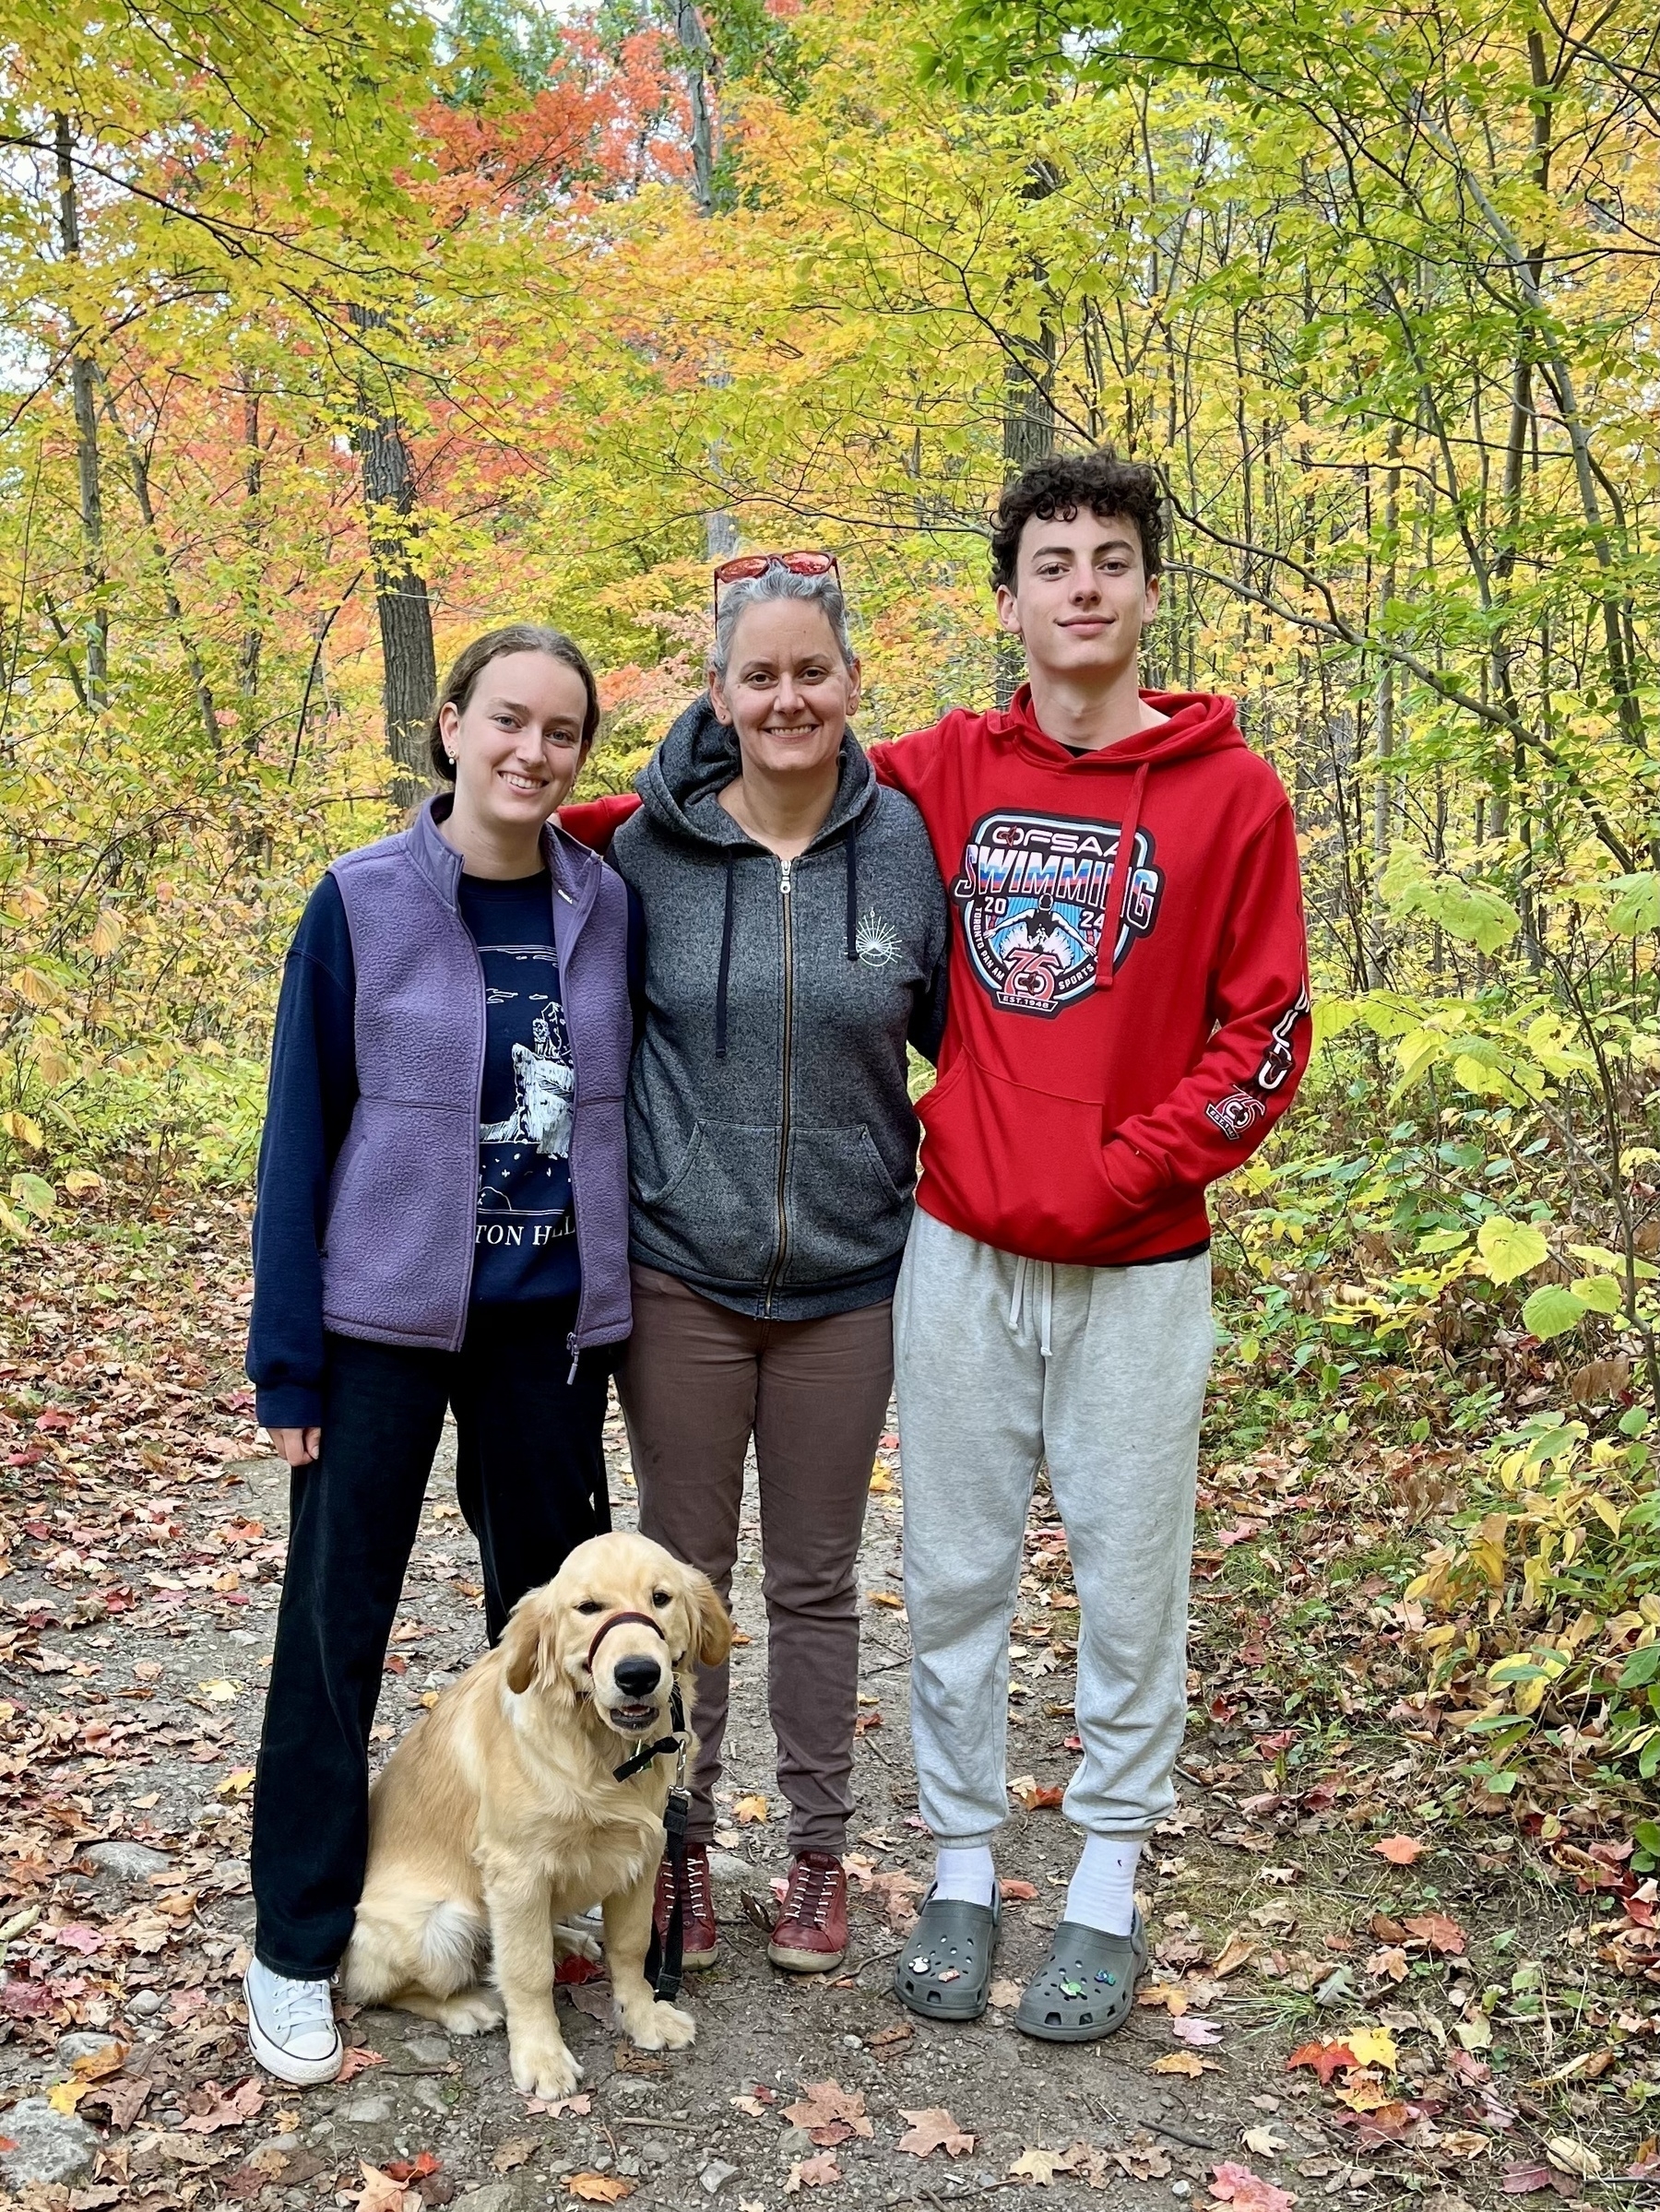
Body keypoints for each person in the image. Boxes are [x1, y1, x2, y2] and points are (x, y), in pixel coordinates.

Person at [869, 452, 1310, 2040]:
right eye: (1052, 560)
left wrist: (1135, 1165)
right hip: (962, 1248)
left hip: (1140, 1264)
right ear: (1010, 599)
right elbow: (759, 796)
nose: (1082, 586)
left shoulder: (1229, 794)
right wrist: (506, 821)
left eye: (1110, 559)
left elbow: (1268, 1028)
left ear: (1142, 589)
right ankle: (969, 1866)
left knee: (1130, 1580)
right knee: (954, 1571)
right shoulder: (941, 769)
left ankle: (1108, 1879)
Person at [243, 623, 636, 2086]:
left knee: (559, 1642)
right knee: (331, 1637)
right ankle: (295, 1943)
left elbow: (711, 785)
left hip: (546, 1332)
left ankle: (549, 1895)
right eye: (508, 722)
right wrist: (288, 1363)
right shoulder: (357, 904)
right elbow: (299, 1142)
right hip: (376, 1333)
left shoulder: (604, 904)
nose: (534, 753)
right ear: (452, 726)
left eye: (564, 734)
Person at [562, 553, 949, 1975]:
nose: (789, 696)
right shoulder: (643, 851)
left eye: (814, 671)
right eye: (760, 674)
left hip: (850, 1281)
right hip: (685, 1278)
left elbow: (978, 1042)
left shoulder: (908, 848)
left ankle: (819, 1858)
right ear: (719, 694)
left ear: (852, 687)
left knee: (817, 1579)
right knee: (675, 1578)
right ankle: (678, 1847)